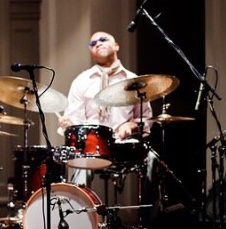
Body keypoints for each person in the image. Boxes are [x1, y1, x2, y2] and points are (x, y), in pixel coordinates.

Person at [57, 31, 154, 187]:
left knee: (152, 159)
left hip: (123, 142)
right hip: (92, 144)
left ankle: (150, 211)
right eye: (93, 43)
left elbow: (146, 118)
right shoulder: (81, 81)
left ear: (116, 46)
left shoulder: (133, 80)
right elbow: (75, 119)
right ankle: (80, 208)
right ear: (90, 52)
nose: (98, 44)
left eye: (103, 39)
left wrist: (131, 125)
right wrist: (70, 124)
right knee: (78, 162)